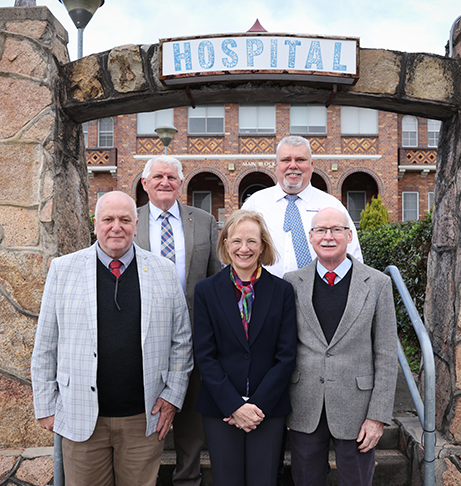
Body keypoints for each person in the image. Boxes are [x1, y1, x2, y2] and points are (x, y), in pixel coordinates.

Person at [31, 191, 192, 486]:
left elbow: (181, 340)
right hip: (81, 418)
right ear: (95, 224)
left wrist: (172, 396)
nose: (116, 227)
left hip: (142, 419)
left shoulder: (164, 271)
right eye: (108, 219)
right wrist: (46, 406)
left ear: (136, 222)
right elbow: (45, 343)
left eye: (124, 219)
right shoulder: (63, 270)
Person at [283, 207, 400, 486]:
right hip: (305, 405)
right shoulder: (291, 283)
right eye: (321, 230)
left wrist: (378, 416)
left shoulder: (378, 284)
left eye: (336, 229)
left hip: (357, 409)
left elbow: (385, 354)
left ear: (349, 235)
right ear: (310, 237)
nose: (328, 236)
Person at [134, 155, 221, 486]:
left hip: (196, 333)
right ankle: (145, 478)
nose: (164, 182)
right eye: (157, 176)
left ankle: (188, 478)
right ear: (145, 183)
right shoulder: (131, 220)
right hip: (143, 335)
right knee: (148, 411)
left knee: (191, 419)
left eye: (171, 176)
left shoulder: (202, 220)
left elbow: (215, 277)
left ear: (180, 183)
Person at [193, 210, 297, 486]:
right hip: (221, 408)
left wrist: (257, 405)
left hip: (268, 408)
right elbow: (204, 354)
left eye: (252, 241)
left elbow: (286, 356)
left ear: (262, 245)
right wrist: (234, 405)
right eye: (236, 240)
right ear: (225, 244)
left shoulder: (283, 290)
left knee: (264, 480)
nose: (244, 248)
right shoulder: (206, 291)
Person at [240, 135, 362, 277]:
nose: (293, 165)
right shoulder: (255, 204)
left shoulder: (332, 206)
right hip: (264, 294)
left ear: (311, 165)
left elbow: (354, 259)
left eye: (300, 160)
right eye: (286, 160)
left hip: (318, 295)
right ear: (277, 166)